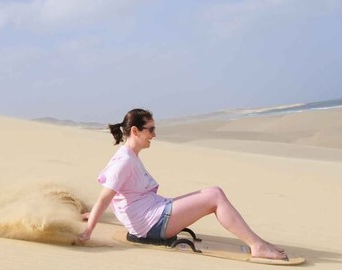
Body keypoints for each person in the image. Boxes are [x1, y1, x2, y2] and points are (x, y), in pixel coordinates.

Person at [76, 108, 288, 260]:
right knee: (215, 195)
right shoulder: (123, 162)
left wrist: (91, 213)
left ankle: (258, 242)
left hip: (155, 214)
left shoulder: (129, 156)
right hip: (152, 225)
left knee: (212, 192)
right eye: (150, 129)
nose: (154, 135)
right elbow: (107, 196)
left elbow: (120, 195)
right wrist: (88, 230)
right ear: (135, 131)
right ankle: (257, 245)